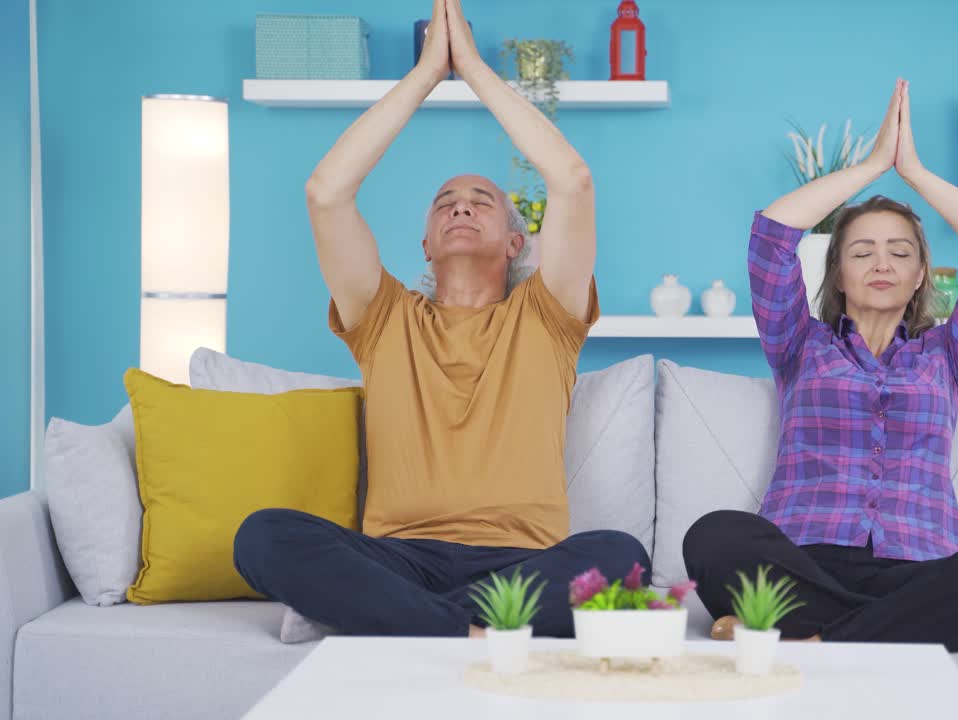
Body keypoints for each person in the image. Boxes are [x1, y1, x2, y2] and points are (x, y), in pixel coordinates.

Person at [233, 0, 648, 638]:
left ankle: (414, 628)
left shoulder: (548, 315)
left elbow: (572, 181)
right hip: (399, 560)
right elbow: (326, 192)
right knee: (262, 535)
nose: (460, 208)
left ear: (517, 243)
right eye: (444, 203)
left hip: (523, 562)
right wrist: (429, 74)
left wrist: (473, 69)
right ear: (426, 242)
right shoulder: (383, 317)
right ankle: (474, 630)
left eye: (481, 201)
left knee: (620, 557)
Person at [682, 79, 958, 652]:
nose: (882, 262)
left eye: (900, 252)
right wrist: (872, 165)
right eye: (862, 251)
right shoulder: (797, 343)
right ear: (836, 273)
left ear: (920, 275)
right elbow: (771, 238)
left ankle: (811, 634)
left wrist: (914, 174)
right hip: (803, 560)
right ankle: (876, 629)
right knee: (714, 535)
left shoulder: (951, 354)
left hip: (920, 563)